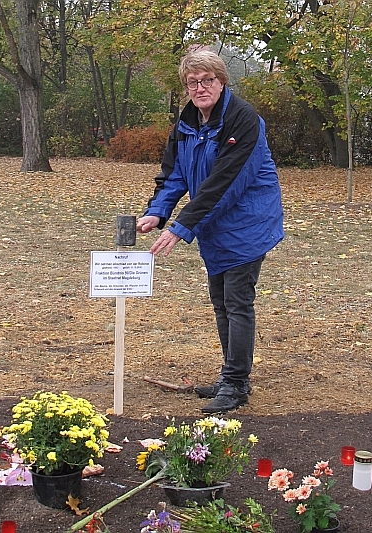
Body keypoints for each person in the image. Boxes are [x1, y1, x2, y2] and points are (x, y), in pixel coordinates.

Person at [136, 50, 284, 414]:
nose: (200, 88)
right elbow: (174, 176)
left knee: (237, 301)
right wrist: (158, 212)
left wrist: (182, 226)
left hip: (247, 222)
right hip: (213, 223)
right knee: (221, 302)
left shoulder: (243, 120)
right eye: (193, 83)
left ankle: (235, 384)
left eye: (208, 81)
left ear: (221, 82)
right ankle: (232, 375)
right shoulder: (186, 124)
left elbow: (226, 182)